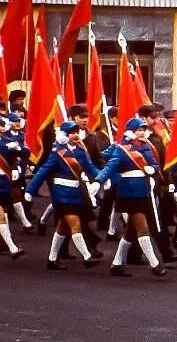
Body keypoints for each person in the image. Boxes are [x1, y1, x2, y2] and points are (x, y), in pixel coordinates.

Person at [94, 117, 168, 277]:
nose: (142, 133)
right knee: (143, 229)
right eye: (138, 130)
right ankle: (155, 264)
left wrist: (151, 169)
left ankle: (117, 263)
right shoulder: (121, 149)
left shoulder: (146, 148)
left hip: (143, 191)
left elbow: (155, 165)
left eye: (143, 130)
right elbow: (109, 166)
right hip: (128, 193)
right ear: (131, 131)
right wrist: (98, 181)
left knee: (131, 232)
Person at [25, 122, 103, 270]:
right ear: (64, 135)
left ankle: (52, 259)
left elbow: (90, 167)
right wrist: (30, 190)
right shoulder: (57, 153)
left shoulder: (80, 151)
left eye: (77, 132)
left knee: (62, 228)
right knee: (75, 224)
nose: (75, 135)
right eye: (71, 132)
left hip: (76, 194)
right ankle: (87, 256)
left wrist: (102, 178)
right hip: (61, 195)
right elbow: (43, 172)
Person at [0, 115, 26, 259]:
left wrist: (15, 166)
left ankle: (5, 243)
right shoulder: (5, 143)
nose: (1, 128)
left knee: (5, 214)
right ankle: (12, 247)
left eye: (2, 125)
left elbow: (22, 152)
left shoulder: (7, 141)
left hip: (4, 182)